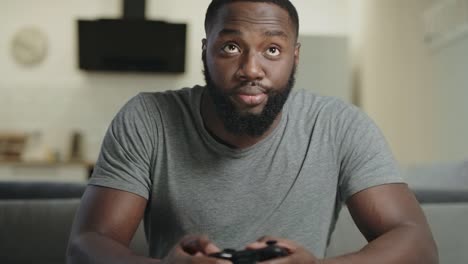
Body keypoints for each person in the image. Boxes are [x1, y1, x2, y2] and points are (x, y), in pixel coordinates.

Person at [67, 0, 438, 263]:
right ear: (205, 52)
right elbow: (87, 243)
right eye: (231, 47)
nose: (251, 69)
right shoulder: (147, 118)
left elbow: (418, 244)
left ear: (295, 56)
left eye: (272, 50)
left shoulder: (341, 126)